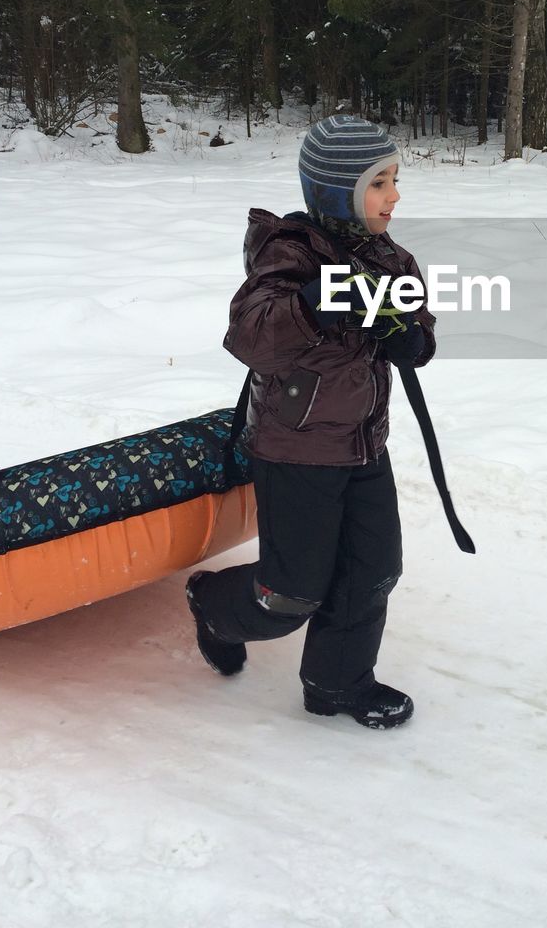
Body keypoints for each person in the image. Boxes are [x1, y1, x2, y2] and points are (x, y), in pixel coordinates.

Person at [186, 115, 436, 729]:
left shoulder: (391, 259)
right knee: (289, 594)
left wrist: (410, 338)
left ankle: (336, 683)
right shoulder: (289, 255)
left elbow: (420, 331)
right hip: (294, 451)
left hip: (363, 445)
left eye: (395, 180)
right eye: (380, 183)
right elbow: (250, 337)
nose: (395, 196)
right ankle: (214, 604)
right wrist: (314, 304)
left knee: (372, 571)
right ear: (335, 190)